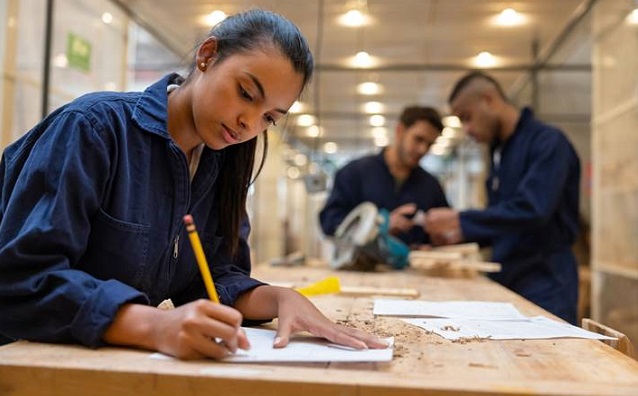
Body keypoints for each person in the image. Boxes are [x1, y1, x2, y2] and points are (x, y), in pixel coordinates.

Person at [0, 9, 386, 360]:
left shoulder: (221, 163)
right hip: (27, 360)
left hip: (112, 362)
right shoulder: (95, 129)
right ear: (207, 56)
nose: (248, 123)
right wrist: (153, 325)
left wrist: (280, 298)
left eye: (269, 117)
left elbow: (213, 276)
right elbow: (21, 280)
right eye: (246, 94)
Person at [425, 71, 581, 324]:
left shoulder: (548, 142)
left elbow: (533, 209)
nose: (467, 129)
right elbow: (503, 221)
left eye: (467, 117)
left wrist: (460, 219)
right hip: (508, 276)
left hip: (546, 281)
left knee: (547, 357)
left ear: (489, 99)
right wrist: (455, 238)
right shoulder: (500, 153)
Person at [319, 106, 449, 248]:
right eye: (418, 139)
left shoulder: (431, 186)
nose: (423, 149)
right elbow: (329, 222)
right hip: (360, 268)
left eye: (429, 144)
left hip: (411, 268)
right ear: (400, 131)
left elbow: (444, 229)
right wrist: (378, 225)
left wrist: (439, 239)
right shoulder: (354, 173)